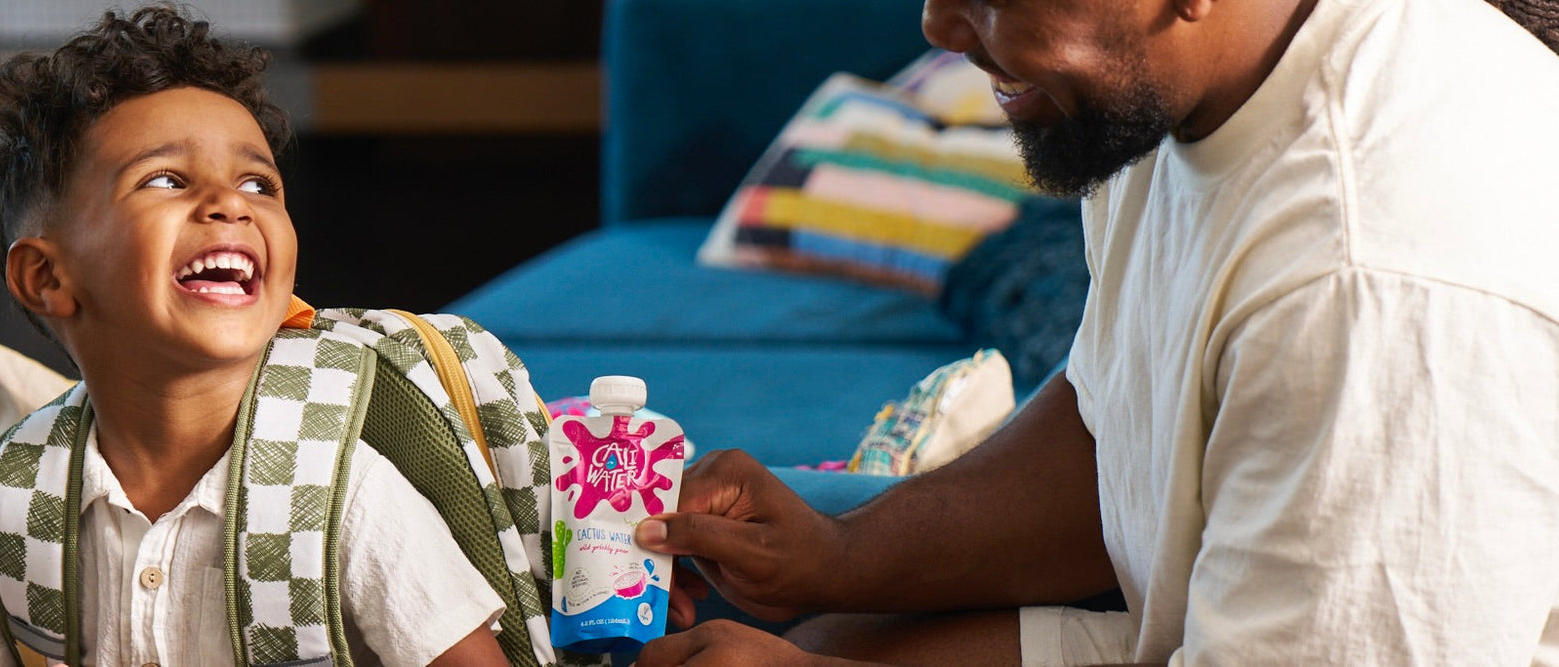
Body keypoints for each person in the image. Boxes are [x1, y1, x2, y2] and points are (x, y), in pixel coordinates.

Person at [633, 0, 1559, 663]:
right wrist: (842, 559)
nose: (939, 27)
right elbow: (1118, 421)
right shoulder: (1158, 93)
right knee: (822, 635)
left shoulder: (1376, 287)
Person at [0, 7, 508, 666]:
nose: (230, 203)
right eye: (167, 180)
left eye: (258, 183)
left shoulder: (349, 494)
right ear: (47, 276)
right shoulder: (5, 498)